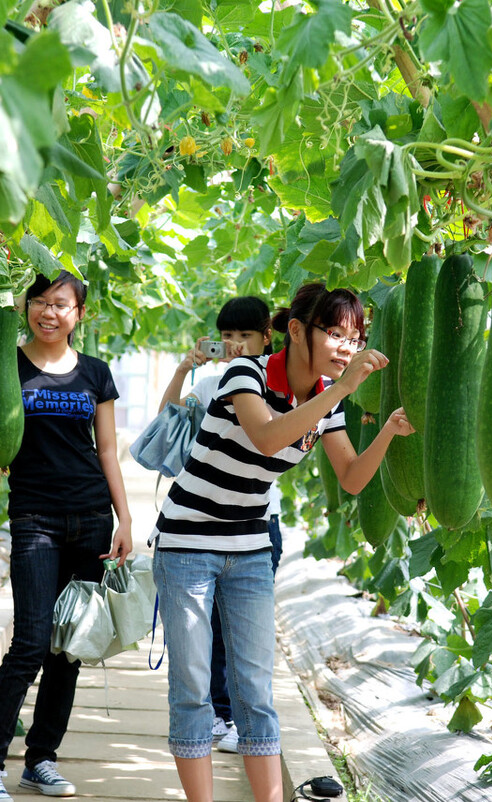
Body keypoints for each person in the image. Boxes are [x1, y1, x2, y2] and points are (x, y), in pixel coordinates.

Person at [151, 283, 414, 802]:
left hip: (249, 547)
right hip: (186, 542)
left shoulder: (327, 401)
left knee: (254, 692)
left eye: (355, 337)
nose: (347, 346)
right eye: (335, 334)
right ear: (296, 330)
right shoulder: (243, 374)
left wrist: (384, 431)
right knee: (193, 688)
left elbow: (353, 478)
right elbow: (268, 437)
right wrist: (336, 390)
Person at [0, 271, 133, 802]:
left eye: (59, 303)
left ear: (78, 313)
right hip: (34, 516)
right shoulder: (5, 364)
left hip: (90, 515)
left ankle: (41, 759)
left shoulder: (96, 374)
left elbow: (107, 451)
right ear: (26, 308)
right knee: (32, 642)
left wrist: (125, 518)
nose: (47, 311)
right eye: (38, 301)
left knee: (68, 647)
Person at [154, 296, 278, 753]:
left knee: (237, 638)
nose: (234, 345)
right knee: (198, 639)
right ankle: (211, 719)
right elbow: (165, 421)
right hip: (200, 523)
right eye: (227, 337)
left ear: (267, 336)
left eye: (244, 336)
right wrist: (183, 369)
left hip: (257, 524)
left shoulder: (278, 383)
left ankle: (226, 717)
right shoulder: (209, 383)